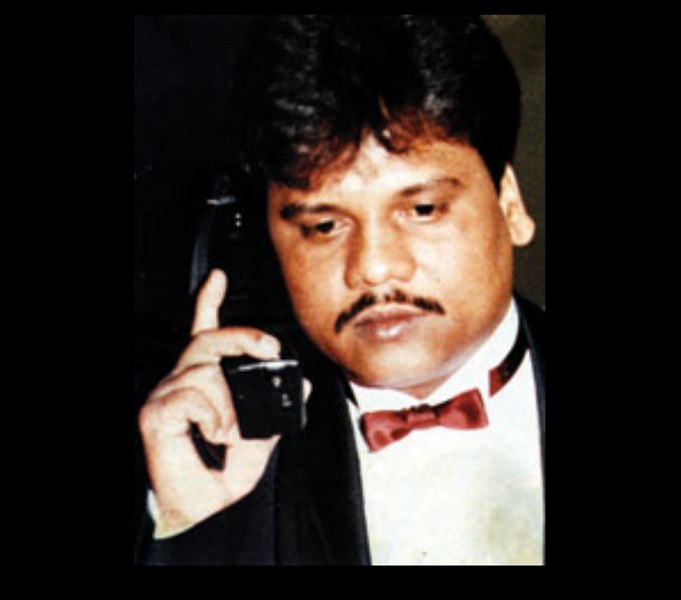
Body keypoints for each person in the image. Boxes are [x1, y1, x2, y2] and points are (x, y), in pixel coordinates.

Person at [135, 14, 545, 566]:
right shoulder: (221, 460)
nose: (373, 267)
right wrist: (191, 524)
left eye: (423, 209)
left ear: (510, 205)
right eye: (325, 226)